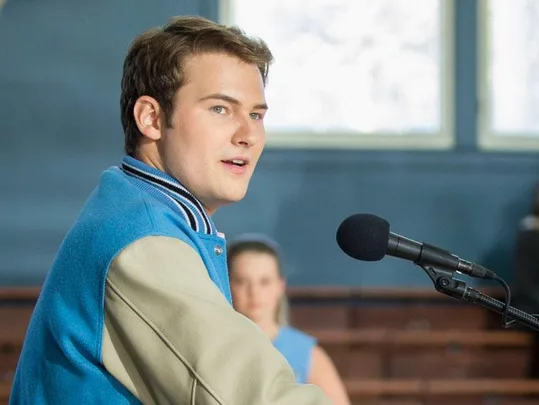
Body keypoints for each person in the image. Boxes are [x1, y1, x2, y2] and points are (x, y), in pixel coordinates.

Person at [9, 16, 331, 404]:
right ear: (151, 118)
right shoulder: (143, 242)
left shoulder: (137, 209)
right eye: (220, 109)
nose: (247, 135)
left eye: (256, 115)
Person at [227, 234, 351, 405]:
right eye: (242, 281)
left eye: (264, 282)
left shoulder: (308, 355)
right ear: (227, 284)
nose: (254, 292)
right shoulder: (214, 349)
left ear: (280, 286)